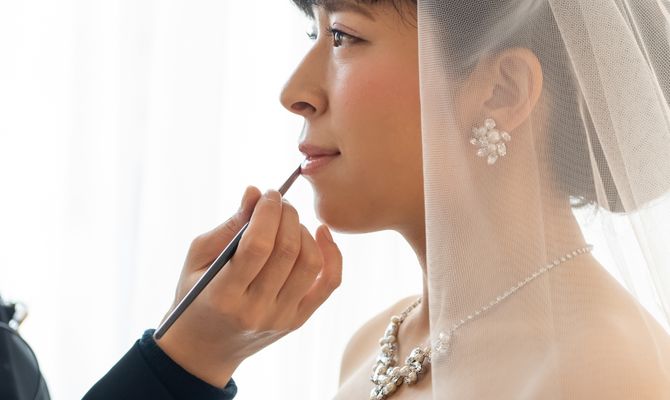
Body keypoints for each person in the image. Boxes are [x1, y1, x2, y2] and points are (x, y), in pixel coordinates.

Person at [85, 0, 670, 398]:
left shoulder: (605, 374)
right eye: (315, 33)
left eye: (343, 35)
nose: (294, 93)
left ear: (501, 91)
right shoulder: (374, 346)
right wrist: (192, 354)